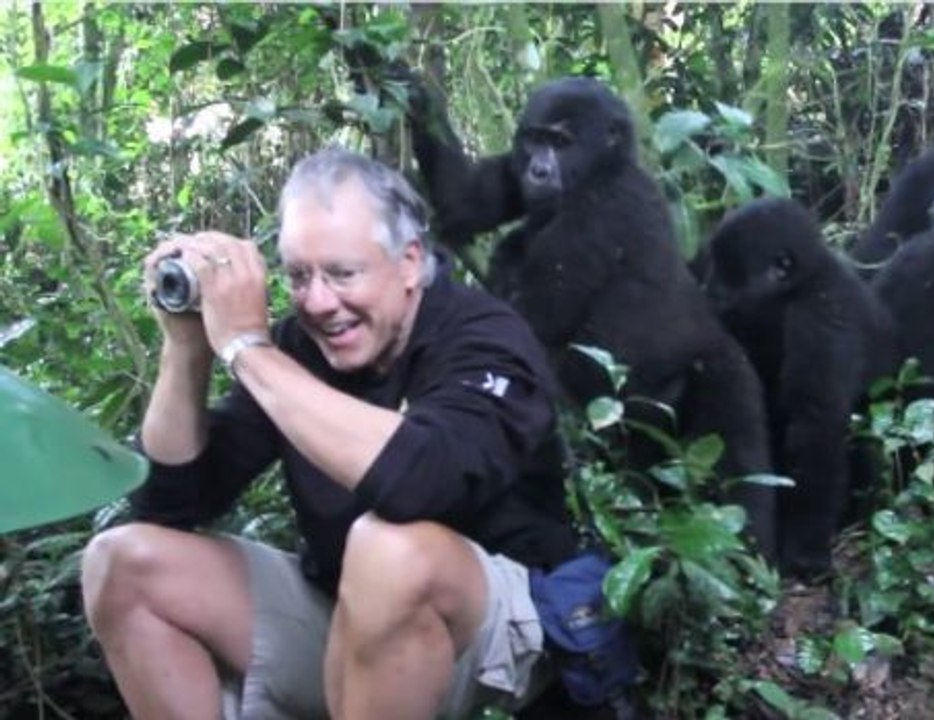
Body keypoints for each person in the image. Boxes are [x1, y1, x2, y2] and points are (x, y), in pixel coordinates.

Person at [79, 147, 579, 720]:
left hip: (494, 637)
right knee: (123, 561)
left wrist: (247, 349)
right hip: (349, 621)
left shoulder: (484, 336)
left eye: (343, 274)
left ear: (410, 262)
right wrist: (188, 345)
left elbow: (422, 483)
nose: (319, 303)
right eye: (299, 276)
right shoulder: (302, 349)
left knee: (388, 548)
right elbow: (170, 501)